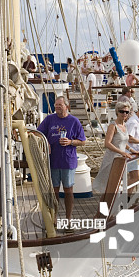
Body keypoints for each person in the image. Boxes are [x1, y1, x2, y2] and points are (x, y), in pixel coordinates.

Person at [38, 96, 85, 226]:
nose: (57, 107)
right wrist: (45, 141)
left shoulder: (74, 121)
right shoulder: (49, 119)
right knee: (54, 191)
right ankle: (54, 218)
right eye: (56, 105)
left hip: (68, 161)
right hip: (53, 161)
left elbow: (83, 141)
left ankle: (69, 218)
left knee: (68, 190)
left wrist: (71, 142)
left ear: (67, 106)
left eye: (60, 105)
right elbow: (38, 133)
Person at [93, 101, 139, 208]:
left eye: (126, 112)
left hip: (120, 161)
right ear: (117, 112)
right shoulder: (113, 125)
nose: (124, 114)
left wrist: (131, 150)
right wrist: (122, 152)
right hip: (112, 160)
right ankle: (101, 213)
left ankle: (111, 209)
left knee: (114, 187)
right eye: (121, 111)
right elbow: (107, 143)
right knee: (108, 188)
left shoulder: (124, 125)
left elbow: (123, 142)